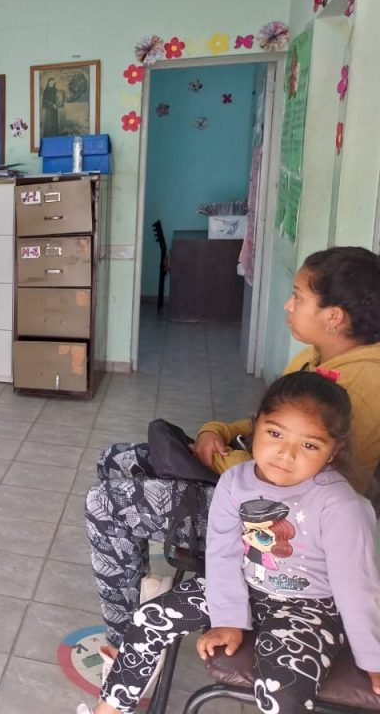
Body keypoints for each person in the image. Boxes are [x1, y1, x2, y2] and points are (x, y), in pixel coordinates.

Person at [86, 246, 380, 655]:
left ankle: (125, 648)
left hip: (278, 525)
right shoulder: (314, 357)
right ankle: (145, 584)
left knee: (106, 504)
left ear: (334, 317)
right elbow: (270, 420)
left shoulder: (365, 385)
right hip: (246, 483)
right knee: (116, 459)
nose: (287, 303)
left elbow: (294, 476)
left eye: (298, 295)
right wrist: (216, 431)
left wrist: (224, 456)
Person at [77, 371, 380, 714]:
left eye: (309, 445)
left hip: (308, 607)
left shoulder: (340, 505)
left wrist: (372, 657)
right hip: (243, 584)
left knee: (281, 689)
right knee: (148, 619)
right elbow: (222, 553)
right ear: (255, 426)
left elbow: (357, 587)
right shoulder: (236, 482)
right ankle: (111, 709)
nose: (286, 453)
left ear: (333, 450)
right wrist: (229, 619)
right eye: (275, 433)